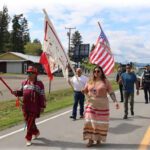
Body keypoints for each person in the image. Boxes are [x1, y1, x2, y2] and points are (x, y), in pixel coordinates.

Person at [82, 66, 119, 147]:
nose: (96, 73)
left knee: (100, 123)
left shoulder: (105, 81)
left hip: (102, 105)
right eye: (95, 71)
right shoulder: (90, 81)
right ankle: (90, 140)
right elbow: (85, 90)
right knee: (89, 122)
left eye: (98, 71)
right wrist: (84, 91)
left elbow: (111, 92)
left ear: (101, 72)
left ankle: (98, 139)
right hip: (91, 104)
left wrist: (115, 101)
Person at [13, 66, 46, 146]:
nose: (29, 74)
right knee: (28, 121)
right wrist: (16, 92)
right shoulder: (24, 82)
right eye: (28, 73)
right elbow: (21, 92)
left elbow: (42, 95)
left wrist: (42, 106)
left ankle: (28, 138)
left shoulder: (40, 83)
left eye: (31, 73)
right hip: (25, 106)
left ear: (35, 74)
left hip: (34, 107)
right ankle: (36, 132)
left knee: (30, 123)